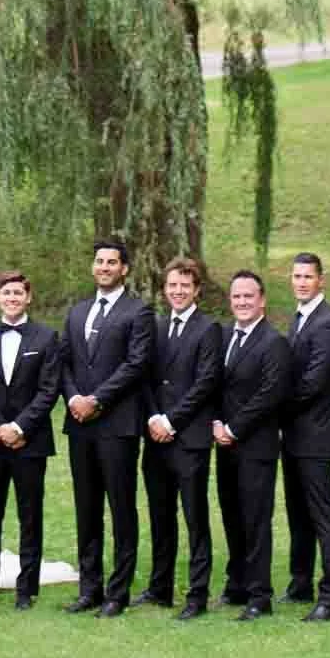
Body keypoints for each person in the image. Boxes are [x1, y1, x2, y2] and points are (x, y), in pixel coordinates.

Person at [60, 235, 154, 616]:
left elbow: (136, 365)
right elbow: (63, 361)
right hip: (79, 424)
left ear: (124, 269)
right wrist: (73, 399)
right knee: (86, 508)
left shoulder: (138, 312)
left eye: (111, 262)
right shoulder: (77, 312)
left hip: (117, 423)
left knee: (121, 508)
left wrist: (97, 400)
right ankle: (89, 588)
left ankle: (118, 592)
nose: (104, 268)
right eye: (99, 262)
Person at [0, 271, 67, 610]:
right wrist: (0, 427)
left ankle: (27, 590)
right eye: (6, 292)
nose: (12, 298)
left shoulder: (46, 337)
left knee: (30, 516)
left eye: (17, 293)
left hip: (30, 442)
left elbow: (48, 389)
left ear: (28, 297)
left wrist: (20, 428)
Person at [138, 256, 223, 622]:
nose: (177, 291)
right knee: (160, 516)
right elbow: (144, 375)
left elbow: (206, 383)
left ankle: (197, 593)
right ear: (165, 289)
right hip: (156, 438)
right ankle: (160, 587)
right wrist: (155, 417)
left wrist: (172, 420)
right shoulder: (155, 327)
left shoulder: (209, 330)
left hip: (189, 438)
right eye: (172, 285)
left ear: (196, 290)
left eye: (185, 286)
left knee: (194, 518)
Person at [211, 267, 290, 618]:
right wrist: (216, 422)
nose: (242, 302)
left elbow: (269, 394)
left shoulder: (273, 342)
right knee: (231, 515)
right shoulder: (224, 336)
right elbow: (213, 382)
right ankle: (237, 583)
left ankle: (260, 596)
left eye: (249, 296)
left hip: (255, 445)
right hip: (223, 442)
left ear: (262, 301)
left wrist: (234, 428)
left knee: (256, 519)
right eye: (237, 296)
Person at [280, 249, 330, 620]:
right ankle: (300, 583)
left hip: (315, 437)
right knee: (297, 514)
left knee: (322, 515)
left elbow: (311, 385)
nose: (301, 282)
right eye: (296, 276)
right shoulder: (300, 319)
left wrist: (273, 403)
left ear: (321, 280)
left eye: (308, 277)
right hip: (293, 436)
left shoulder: (327, 325)